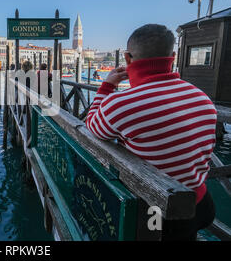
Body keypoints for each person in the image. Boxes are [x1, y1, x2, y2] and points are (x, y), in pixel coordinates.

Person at [85, 24, 217, 241]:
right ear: (173, 57)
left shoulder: (120, 104)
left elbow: (93, 126)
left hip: (154, 216)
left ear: (128, 59)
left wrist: (107, 86)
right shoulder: (202, 99)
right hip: (201, 204)